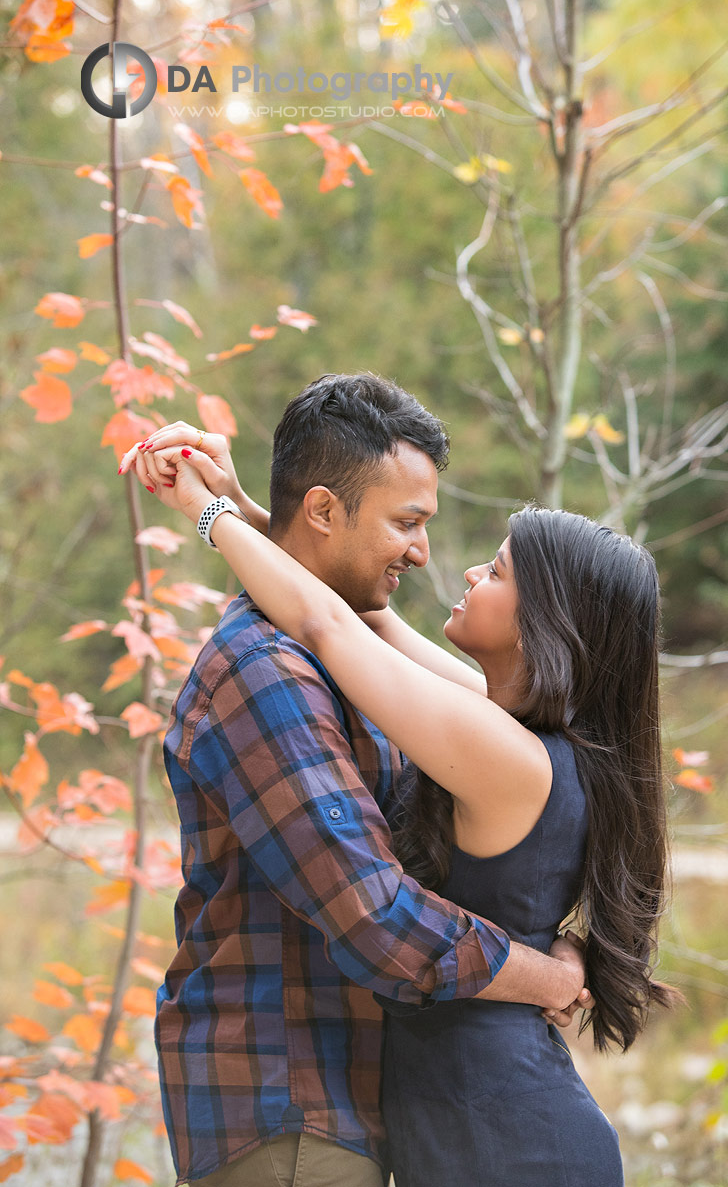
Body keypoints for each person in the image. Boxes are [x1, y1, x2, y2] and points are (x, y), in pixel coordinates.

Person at [125, 374, 679, 1187]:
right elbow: (352, 618)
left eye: (493, 574)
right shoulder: (492, 721)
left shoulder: (501, 747)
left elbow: (331, 621)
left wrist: (208, 517)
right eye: (410, 523)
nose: (444, 566)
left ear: (546, 626)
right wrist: (242, 505)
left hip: (496, 1134)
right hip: (394, 1116)